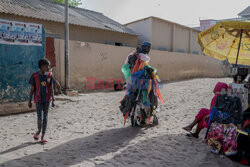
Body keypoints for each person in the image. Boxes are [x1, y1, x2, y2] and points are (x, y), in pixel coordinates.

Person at [28, 58, 55, 144]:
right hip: (38, 100)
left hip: (47, 100)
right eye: (47, 66)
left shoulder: (49, 75)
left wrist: (53, 99)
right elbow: (32, 89)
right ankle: (38, 131)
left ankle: (42, 136)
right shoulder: (35, 76)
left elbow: (51, 88)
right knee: (40, 117)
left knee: (45, 117)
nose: (49, 67)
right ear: (42, 67)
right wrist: (29, 101)